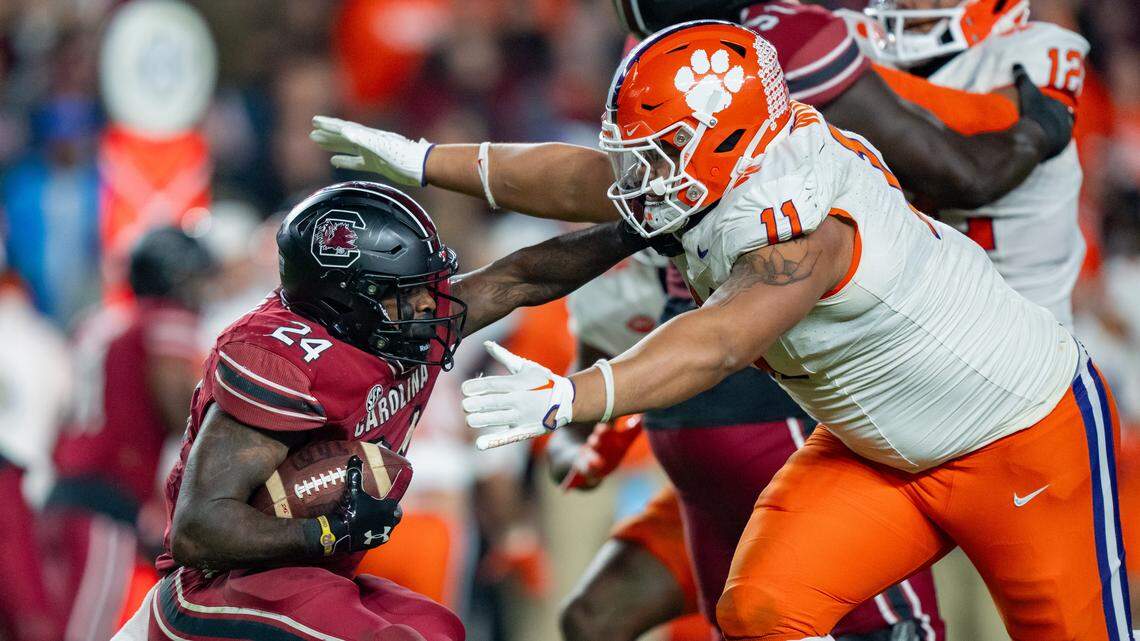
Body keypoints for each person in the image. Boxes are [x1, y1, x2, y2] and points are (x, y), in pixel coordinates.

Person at [450, 22, 1128, 640]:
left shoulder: (799, 210)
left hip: (1017, 430)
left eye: (660, 154)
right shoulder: (734, 173)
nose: (642, 178)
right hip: (879, 448)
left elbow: (720, 339)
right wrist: (421, 160)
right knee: (765, 609)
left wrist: (574, 396)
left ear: (721, 132)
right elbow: (579, 184)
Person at [112, 182, 651, 640]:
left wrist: (636, 231)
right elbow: (197, 528)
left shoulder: (392, 330)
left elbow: (521, 278)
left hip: (302, 574)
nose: (427, 306)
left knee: (440, 628)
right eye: (405, 292)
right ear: (346, 297)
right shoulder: (282, 358)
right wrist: (323, 533)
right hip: (219, 584)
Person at [550, 250, 943, 641]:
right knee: (594, 617)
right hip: (704, 491)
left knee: (879, 625)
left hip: (790, 456)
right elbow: (571, 417)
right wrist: (575, 455)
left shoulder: (755, 229)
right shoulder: (614, 277)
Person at [844, 0, 1089, 326]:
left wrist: (829, 73)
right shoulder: (860, 43)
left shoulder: (1037, 46)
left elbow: (984, 126)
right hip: (907, 321)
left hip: (1021, 328)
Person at [42, 226, 215, 641]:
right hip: (107, 505)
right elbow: (180, 408)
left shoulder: (100, 321)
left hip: (62, 495)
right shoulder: (165, 320)